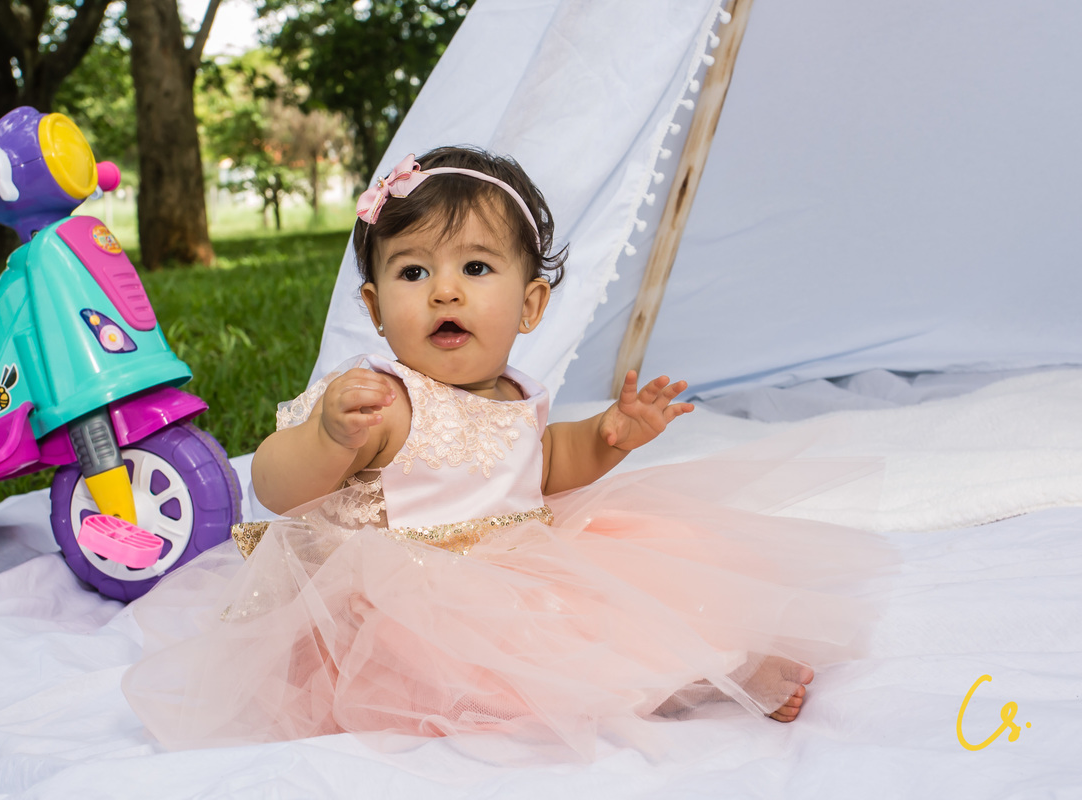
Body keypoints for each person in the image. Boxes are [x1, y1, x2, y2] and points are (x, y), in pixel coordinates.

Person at [122, 147, 893, 759]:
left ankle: (702, 659)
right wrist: (326, 437)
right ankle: (682, 680)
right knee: (505, 668)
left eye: (476, 268)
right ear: (374, 307)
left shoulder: (515, 390)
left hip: (517, 568)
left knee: (628, 591)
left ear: (530, 304)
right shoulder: (380, 398)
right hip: (403, 600)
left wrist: (609, 438)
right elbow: (276, 485)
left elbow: (545, 467)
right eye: (413, 271)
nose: (445, 292)